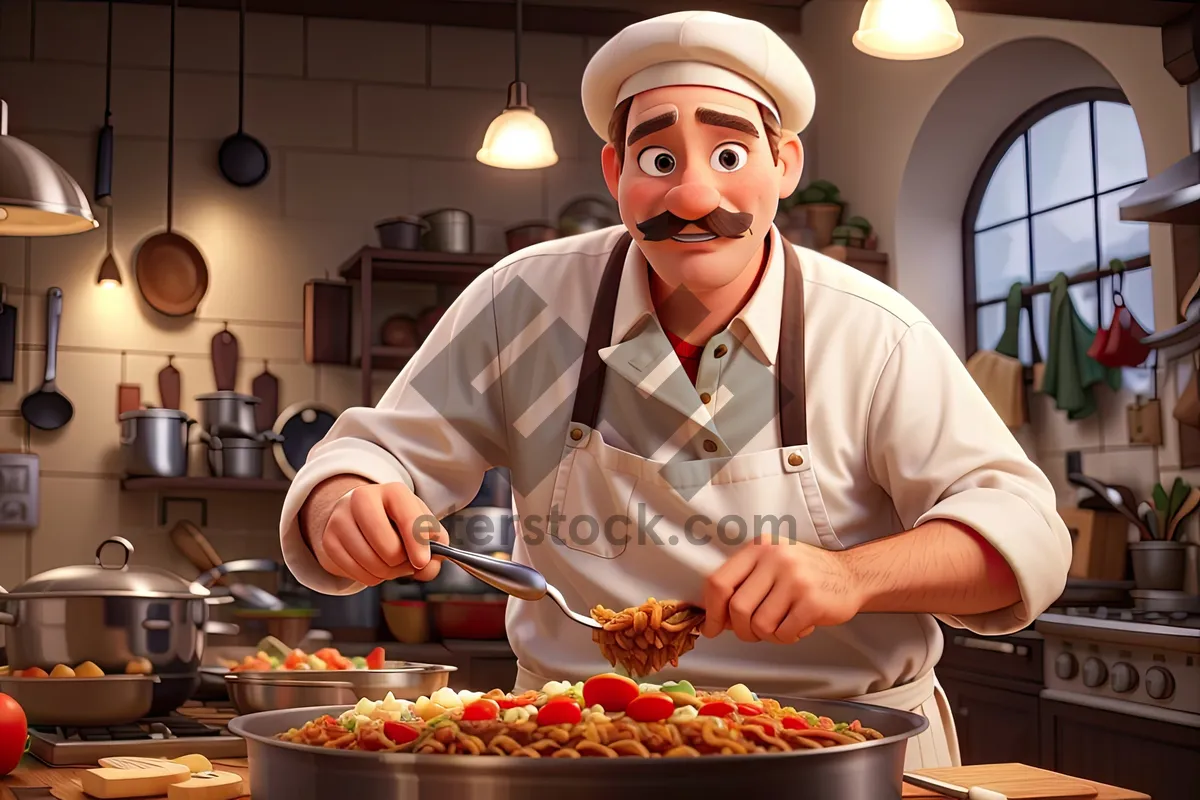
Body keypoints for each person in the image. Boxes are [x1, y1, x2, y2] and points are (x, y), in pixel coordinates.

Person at [279, 10, 1071, 769]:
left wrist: (852, 576)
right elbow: (372, 455)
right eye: (658, 160)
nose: (694, 197)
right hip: (581, 746)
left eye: (729, 155)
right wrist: (349, 500)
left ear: (784, 164)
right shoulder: (525, 301)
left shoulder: (871, 331)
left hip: (847, 751)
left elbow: (1023, 534)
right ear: (614, 169)